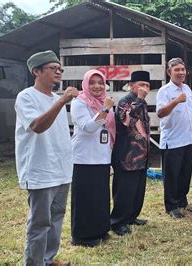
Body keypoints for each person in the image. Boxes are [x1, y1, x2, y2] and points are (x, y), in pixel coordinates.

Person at [15, 50, 78, 265]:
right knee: (40, 223)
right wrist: (61, 102)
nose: (59, 71)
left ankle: (48, 260)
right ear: (36, 71)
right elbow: (37, 126)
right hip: (40, 169)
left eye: (60, 68)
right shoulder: (26, 97)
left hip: (61, 169)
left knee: (57, 218)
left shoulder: (56, 99)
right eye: (53, 68)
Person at [70, 69, 115, 247]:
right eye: (92, 82)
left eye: (100, 82)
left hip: (102, 155)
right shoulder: (79, 102)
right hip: (84, 157)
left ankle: (100, 230)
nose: (97, 86)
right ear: (85, 84)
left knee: (101, 196)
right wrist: (105, 109)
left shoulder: (104, 101)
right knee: (85, 197)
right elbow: (88, 127)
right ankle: (82, 236)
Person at [156, 58, 192, 218]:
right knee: (172, 175)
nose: (181, 72)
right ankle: (171, 206)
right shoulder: (164, 91)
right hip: (172, 140)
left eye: (183, 69)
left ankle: (182, 201)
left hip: (187, 139)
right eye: (177, 70)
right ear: (169, 72)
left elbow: (189, 110)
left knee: (185, 173)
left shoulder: (187, 89)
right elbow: (160, 113)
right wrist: (176, 101)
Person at [110, 71, 151, 235]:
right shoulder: (124, 102)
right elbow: (127, 120)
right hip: (127, 155)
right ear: (131, 86)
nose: (145, 89)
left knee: (137, 189)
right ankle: (118, 222)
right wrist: (140, 98)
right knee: (124, 190)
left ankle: (132, 216)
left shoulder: (143, 103)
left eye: (147, 86)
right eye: (141, 85)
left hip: (141, 155)